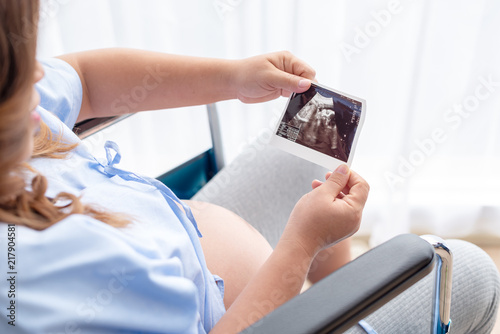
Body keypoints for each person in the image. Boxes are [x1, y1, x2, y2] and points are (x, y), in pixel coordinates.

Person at [0, 1, 498, 333]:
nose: (42, 72)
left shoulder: (19, 118)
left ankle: (343, 303)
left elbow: (84, 80)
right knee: (473, 271)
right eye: (23, 70)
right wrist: (301, 246)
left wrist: (233, 77)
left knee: (298, 156)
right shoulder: (55, 274)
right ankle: (333, 313)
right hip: (248, 318)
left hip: (197, 249)